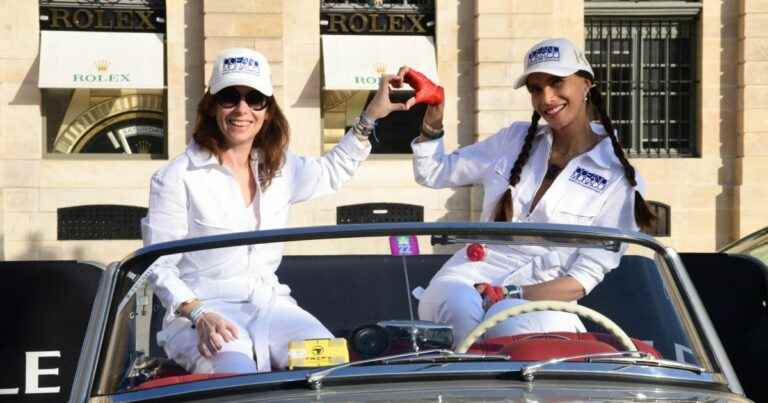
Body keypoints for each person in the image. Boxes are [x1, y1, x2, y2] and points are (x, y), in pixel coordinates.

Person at [141, 48, 409, 374]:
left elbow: (332, 170)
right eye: (229, 97)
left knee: (330, 370)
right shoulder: (175, 177)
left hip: (272, 306)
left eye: (255, 99)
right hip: (201, 314)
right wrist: (199, 314)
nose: (242, 109)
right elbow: (159, 266)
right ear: (211, 105)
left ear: (267, 110)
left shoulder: (281, 166)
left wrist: (371, 116)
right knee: (236, 379)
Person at [401, 38, 656, 346]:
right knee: (455, 305)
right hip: (470, 274)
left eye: (557, 82)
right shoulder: (513, 139)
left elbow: (581, 280)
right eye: (536, 88)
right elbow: (434, 172)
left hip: (540, 292)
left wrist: (510, 293)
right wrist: (433, 117)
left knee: (509, 322)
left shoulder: (618, 177)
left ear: (586, 84)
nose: (547, 98)